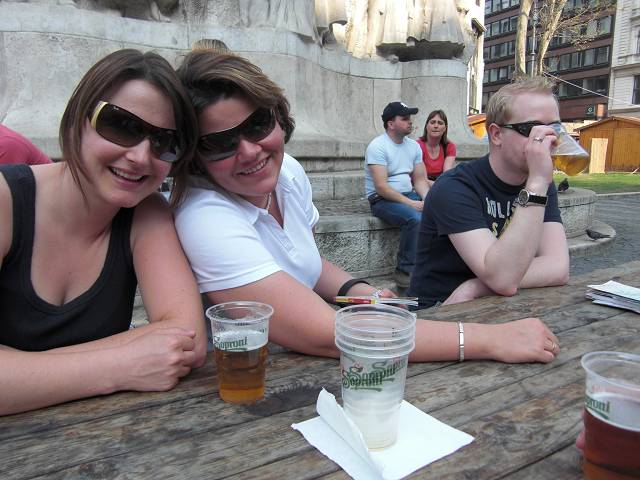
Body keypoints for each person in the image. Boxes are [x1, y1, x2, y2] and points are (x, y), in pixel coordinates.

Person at [172, 50, 561, 366]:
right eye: (219, 143)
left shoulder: (286, 172)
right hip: (251, 375)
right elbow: (325, 335)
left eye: (257, 124)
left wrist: (364, 291)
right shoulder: (205, 216)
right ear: (194, 155)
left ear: (278, 116)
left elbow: (305, 262)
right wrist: (491, 339)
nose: (249, 151)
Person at [0, 49, 207, 416]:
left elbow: (187, 340)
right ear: (76, 119)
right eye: (121, 125)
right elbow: (143, 358)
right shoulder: (5, 200)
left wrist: (20, 373)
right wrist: (119, 365)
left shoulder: (146, 213)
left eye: (165, 142)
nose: (141, 157)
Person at [408, 77, 570, 308]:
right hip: (441, 312)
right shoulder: (455, 187)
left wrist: (476, 286)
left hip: (490, 303)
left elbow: (558, 266)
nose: (548, 141)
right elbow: (504, 279)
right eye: (531, 130)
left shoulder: (539, 182)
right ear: (496, 134)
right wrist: (536, 184)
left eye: (554, 129)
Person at [364, 102, 429, 288]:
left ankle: (433, 265)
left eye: (410, 118)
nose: (410, 122)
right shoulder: (377, 146)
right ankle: (405, 270)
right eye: (405, 118)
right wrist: (411, 203)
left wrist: (427, 199)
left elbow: (420, 180)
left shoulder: (414, 146)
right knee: (415, 219)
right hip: (382, 200)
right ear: (391, 124)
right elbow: (381, 187)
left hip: (408, 195)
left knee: (442, 212)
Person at [416, 109, 456, 182]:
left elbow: (447, 174)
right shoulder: (417, 146)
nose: (436, 126)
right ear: (426, 126)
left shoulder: (449, 146)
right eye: (432, 122)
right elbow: (422, 179)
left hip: (442, 182)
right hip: (422, 183)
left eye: (440, 123)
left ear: (445, 128)